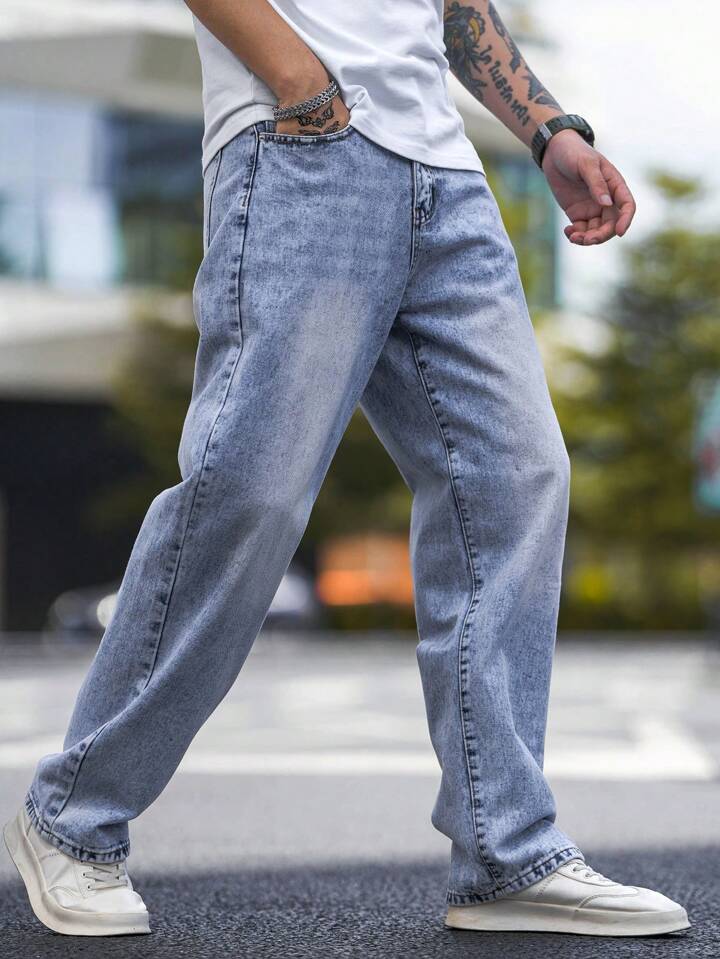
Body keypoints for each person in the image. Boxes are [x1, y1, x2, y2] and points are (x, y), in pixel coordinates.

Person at [4, 0, 689, 940]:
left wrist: (549, 129)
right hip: (301, 148)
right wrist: (300, 81)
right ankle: (72, 818)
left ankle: (508, 850)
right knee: (250, 489)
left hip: (447, 175)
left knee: (518, 479)